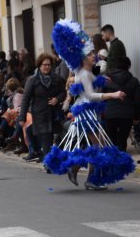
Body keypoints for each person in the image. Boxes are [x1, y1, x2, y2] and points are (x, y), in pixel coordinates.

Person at [47, 19, 131, 190]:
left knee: (98, 146)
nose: (94, 56)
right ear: (83, 58)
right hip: (86, 113)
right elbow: (91, 95)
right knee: (99, 146)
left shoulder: (85, 71)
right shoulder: (83, 74)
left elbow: (92, 82)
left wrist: (101, 78)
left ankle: (83, 173)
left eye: (94, 53)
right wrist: (113, 94)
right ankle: (85, 175)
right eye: (90, 54)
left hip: (88, 112)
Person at [19, 53, 66, 160]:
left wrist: (57, 99)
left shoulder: (57, 79)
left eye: (49, 65)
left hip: (54, 114)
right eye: (44, 65)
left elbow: (63, 92)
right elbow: (25, 99)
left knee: (54, 138)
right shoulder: (32, 80)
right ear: (39, 65)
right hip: (40, 114)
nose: (47, 67)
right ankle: (48, 163)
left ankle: (51, 159)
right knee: (46, 138)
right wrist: (22, 117)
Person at [103, 56, 140, 152]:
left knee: (111, 140)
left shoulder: (107, 80)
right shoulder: (134, 81)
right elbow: (138, 101)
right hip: (127, 114)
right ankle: (122, 161)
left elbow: (102, 96)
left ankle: (113, 162)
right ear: (129, 66)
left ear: (116, 66)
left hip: (110, 113)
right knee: (122, 140)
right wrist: (137, 117)